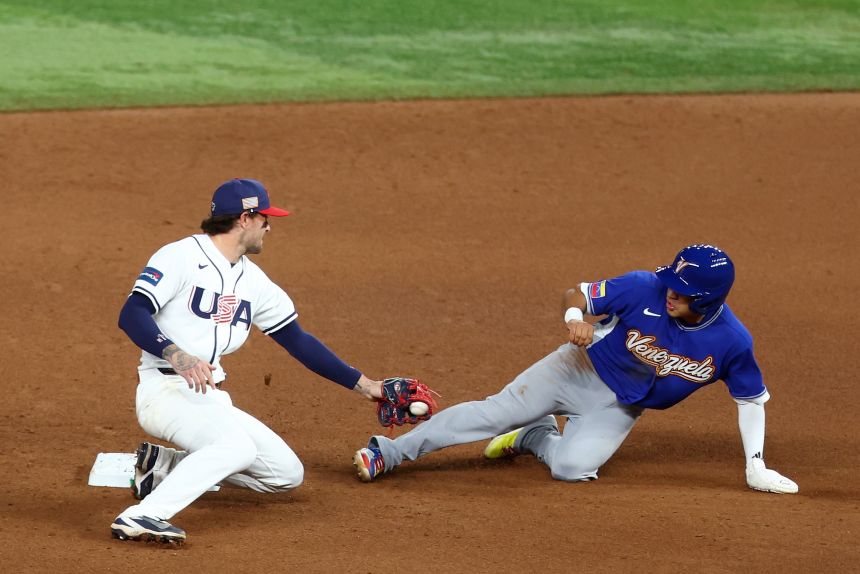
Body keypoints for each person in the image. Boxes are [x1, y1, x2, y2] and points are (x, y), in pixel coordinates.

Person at [353, 244, 798, 495]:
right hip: (575, 368)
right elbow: (577, 292)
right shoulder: (645, 286)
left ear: (706, 301)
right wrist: (574, 320)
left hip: (620, 407)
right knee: (493, 415)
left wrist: (754, 465)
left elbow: (750, 400)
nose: (670, 294)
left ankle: (535, 436)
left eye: (681, 293)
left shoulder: (731, 343)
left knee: (572, 469)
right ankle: (387, 454)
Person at [111, 178, 390, 544]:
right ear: (245, 218)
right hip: (164, 390)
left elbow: (297, 340)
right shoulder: (179, 257)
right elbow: (132, 313)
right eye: (265, 219)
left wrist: (366, 385)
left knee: (285, 474)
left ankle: (163, 468)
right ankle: (143, 515)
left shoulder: (252, 280)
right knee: (236, 448)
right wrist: (174, 353)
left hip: (208, 398)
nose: (269, 227)